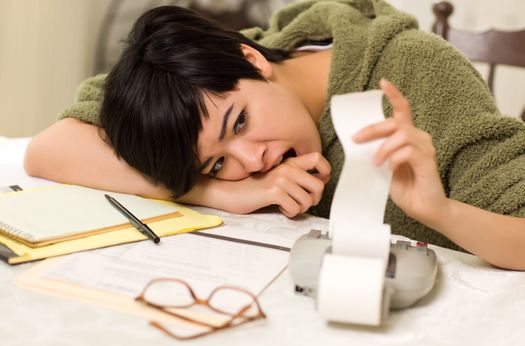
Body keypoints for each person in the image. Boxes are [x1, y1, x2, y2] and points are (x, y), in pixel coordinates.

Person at [24, 0, 525, 270]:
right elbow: (48, 151)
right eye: (218, 161)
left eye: (239, 122)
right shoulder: (186, 91)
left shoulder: (413, 71)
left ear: (253, 60)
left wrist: (440, 211)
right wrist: (224, 190)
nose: (252, 160)